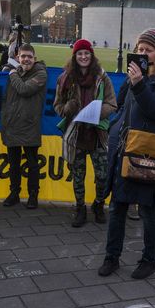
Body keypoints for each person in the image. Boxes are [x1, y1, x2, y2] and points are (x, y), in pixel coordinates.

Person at [98, 29, 155, 279]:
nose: (143, 54)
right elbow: (121, 105)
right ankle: (112, 257)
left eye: (148, 50)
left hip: (147, 152)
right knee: (117, 207)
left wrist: (140, 84)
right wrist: (115, 125)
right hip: (124, 148)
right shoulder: (135, 75)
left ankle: (149, 260)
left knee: (147, 209)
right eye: (140, 49)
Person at [53, 39, 117, 227]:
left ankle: (98, 204)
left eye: (86, 53)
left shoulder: (102, 77)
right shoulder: (65, 78)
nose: (83, 57)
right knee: (78, 176)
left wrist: (97, 113)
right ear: (74, 56)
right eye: (79, 54)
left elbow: (112, 103)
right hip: (76, 135)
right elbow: (57, 105)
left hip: (97, 135)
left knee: (103, 175)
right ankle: (80, 207)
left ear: (92, 56)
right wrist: (67, 108)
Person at [1, 43, 48, 209]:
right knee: (13, 163)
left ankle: (33, 195)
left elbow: (24, 89)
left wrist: (12, 73)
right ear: (18, 58)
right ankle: (14, 193)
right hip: (12, 125)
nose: (26, 59)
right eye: (23, 56)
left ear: (34, 59)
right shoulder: (13, 71)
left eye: (29, 56)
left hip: (29, 126)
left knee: (32, 164)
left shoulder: (41, 73)